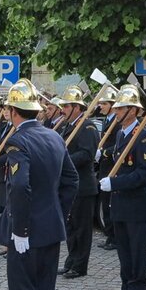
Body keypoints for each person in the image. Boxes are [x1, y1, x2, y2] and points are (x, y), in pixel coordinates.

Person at [0, 79, 78, 290]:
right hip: (50, 228)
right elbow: (71, 180)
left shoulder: (18, 141)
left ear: (14, 112)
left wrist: (21, 230)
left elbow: (20, 187)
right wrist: (57, 214)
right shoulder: (54, 137)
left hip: (26, 231)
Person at [99, 84, 146, 290]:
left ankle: (138, 289)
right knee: (123, 247)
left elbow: (143, 173)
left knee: (137, 249)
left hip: (136, 202)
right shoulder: (121, 134)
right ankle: (126, 285)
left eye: (120, 109)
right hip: (120, 201)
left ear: (132, 110)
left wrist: (115, 182)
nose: (115, 112)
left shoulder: (144, 136)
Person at [57, 85, 99, 279]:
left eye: (66, 106)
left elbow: (86, 154)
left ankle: (80, 265)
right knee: (71, 226)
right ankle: (71, 261)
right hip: (70, 185)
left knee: (82, 228)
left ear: (77, 107)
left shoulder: (87, 126)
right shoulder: (68, 126)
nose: (63, 109)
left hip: (83, 185)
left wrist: (64, 162)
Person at [94, 87, 118, 250]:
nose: (100, 106)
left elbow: (118, 146)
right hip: (104, 167)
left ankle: (114, 237)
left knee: (110, 204)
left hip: (112, 166)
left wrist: (103, 152)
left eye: (104, 103)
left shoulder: (117, 121)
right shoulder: (108, 120)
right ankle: (110, 236)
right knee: (105, 204)